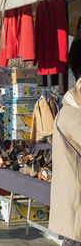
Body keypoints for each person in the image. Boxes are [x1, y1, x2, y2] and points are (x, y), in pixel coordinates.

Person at [49, 78, 81, 245]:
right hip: (75, 190)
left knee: (70, 235)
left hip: (69, 187)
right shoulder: (75, 116)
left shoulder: (67, 111)